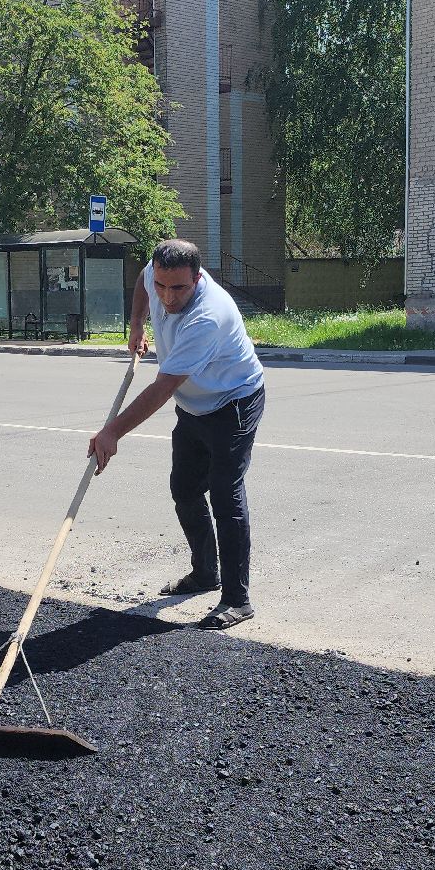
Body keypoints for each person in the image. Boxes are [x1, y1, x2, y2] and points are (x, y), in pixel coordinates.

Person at [89, 240, 266, 630]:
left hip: (233, 401)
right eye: (162, 286)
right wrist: (136, 325)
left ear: (197, 278)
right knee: (184, 488)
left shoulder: (208, 317)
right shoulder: (157, 276)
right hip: (193, 406)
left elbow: (162, 386)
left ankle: (238, 600)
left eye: (179, 289)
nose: (167, 297)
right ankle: (206, 573)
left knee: (225, 492)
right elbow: (141, 282)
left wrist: (112, 432)